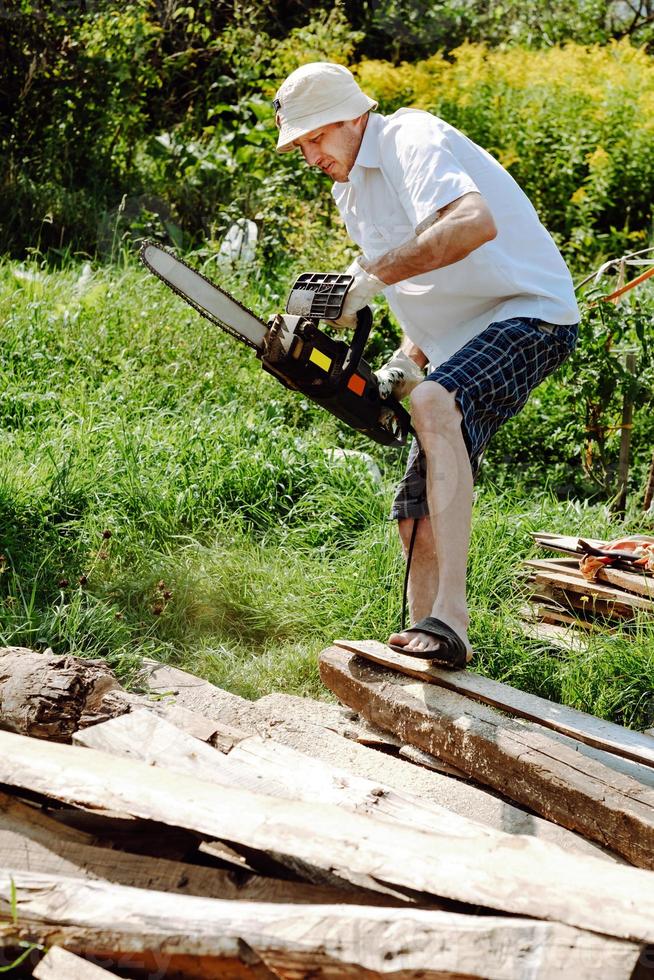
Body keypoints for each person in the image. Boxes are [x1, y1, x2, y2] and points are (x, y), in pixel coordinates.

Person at [273, 61, 579, 668]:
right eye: (301, 145)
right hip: (450, 345)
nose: (311, 157)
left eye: (317, 138)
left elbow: (472, 224)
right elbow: (419, 291)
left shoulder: (411, 137)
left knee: (435, 402)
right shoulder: (349, 191)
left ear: (353, 115)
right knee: (413, 514)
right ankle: (424, 647)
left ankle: (454, 620)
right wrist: (399, 363)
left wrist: (366, 278)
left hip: (530, 313)